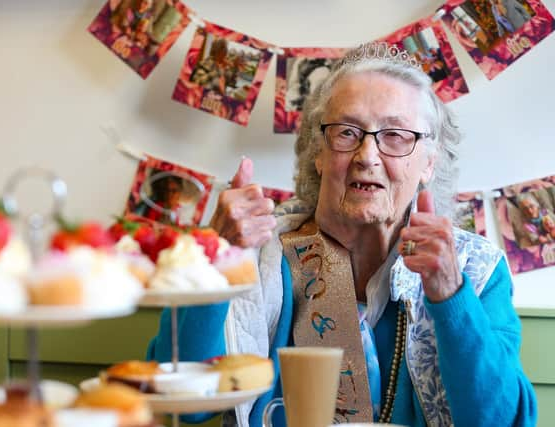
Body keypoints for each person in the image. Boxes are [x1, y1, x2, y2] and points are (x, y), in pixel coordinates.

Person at [148, 42, 537, 427]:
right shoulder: (260, 254)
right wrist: (216, 261)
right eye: (347, 133)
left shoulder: (475, 268)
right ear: (318, 153)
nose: (367, 156)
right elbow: (183, 403)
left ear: (429, 164)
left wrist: (451, 294)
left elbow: (501, 421)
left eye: (395, 136)